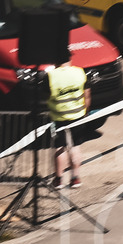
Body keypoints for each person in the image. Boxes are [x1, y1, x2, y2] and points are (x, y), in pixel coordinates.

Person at [46, 59, 91, 189]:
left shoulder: (51, 75)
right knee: (75, 147)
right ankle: (75, 178)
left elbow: (46, 96)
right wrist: (85, 112)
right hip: (78, 114)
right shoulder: (80, 72)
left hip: (58, 116)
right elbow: (87, 95)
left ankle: (59, 180)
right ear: (70, 58)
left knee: (60, 147)